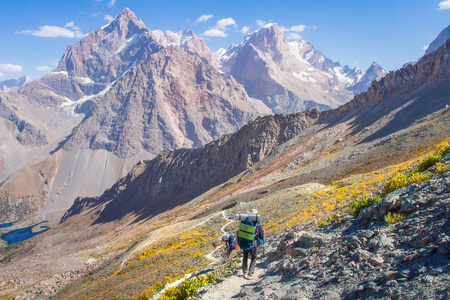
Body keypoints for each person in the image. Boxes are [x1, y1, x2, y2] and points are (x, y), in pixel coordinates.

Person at [238, 210, 264, 279]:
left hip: (244, 243)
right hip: (253, 244)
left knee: (245, 257)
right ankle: (250, 273)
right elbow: (261, 236)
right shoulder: (257, 225)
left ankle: (244, 272)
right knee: (253, 258)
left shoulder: (244, 223)